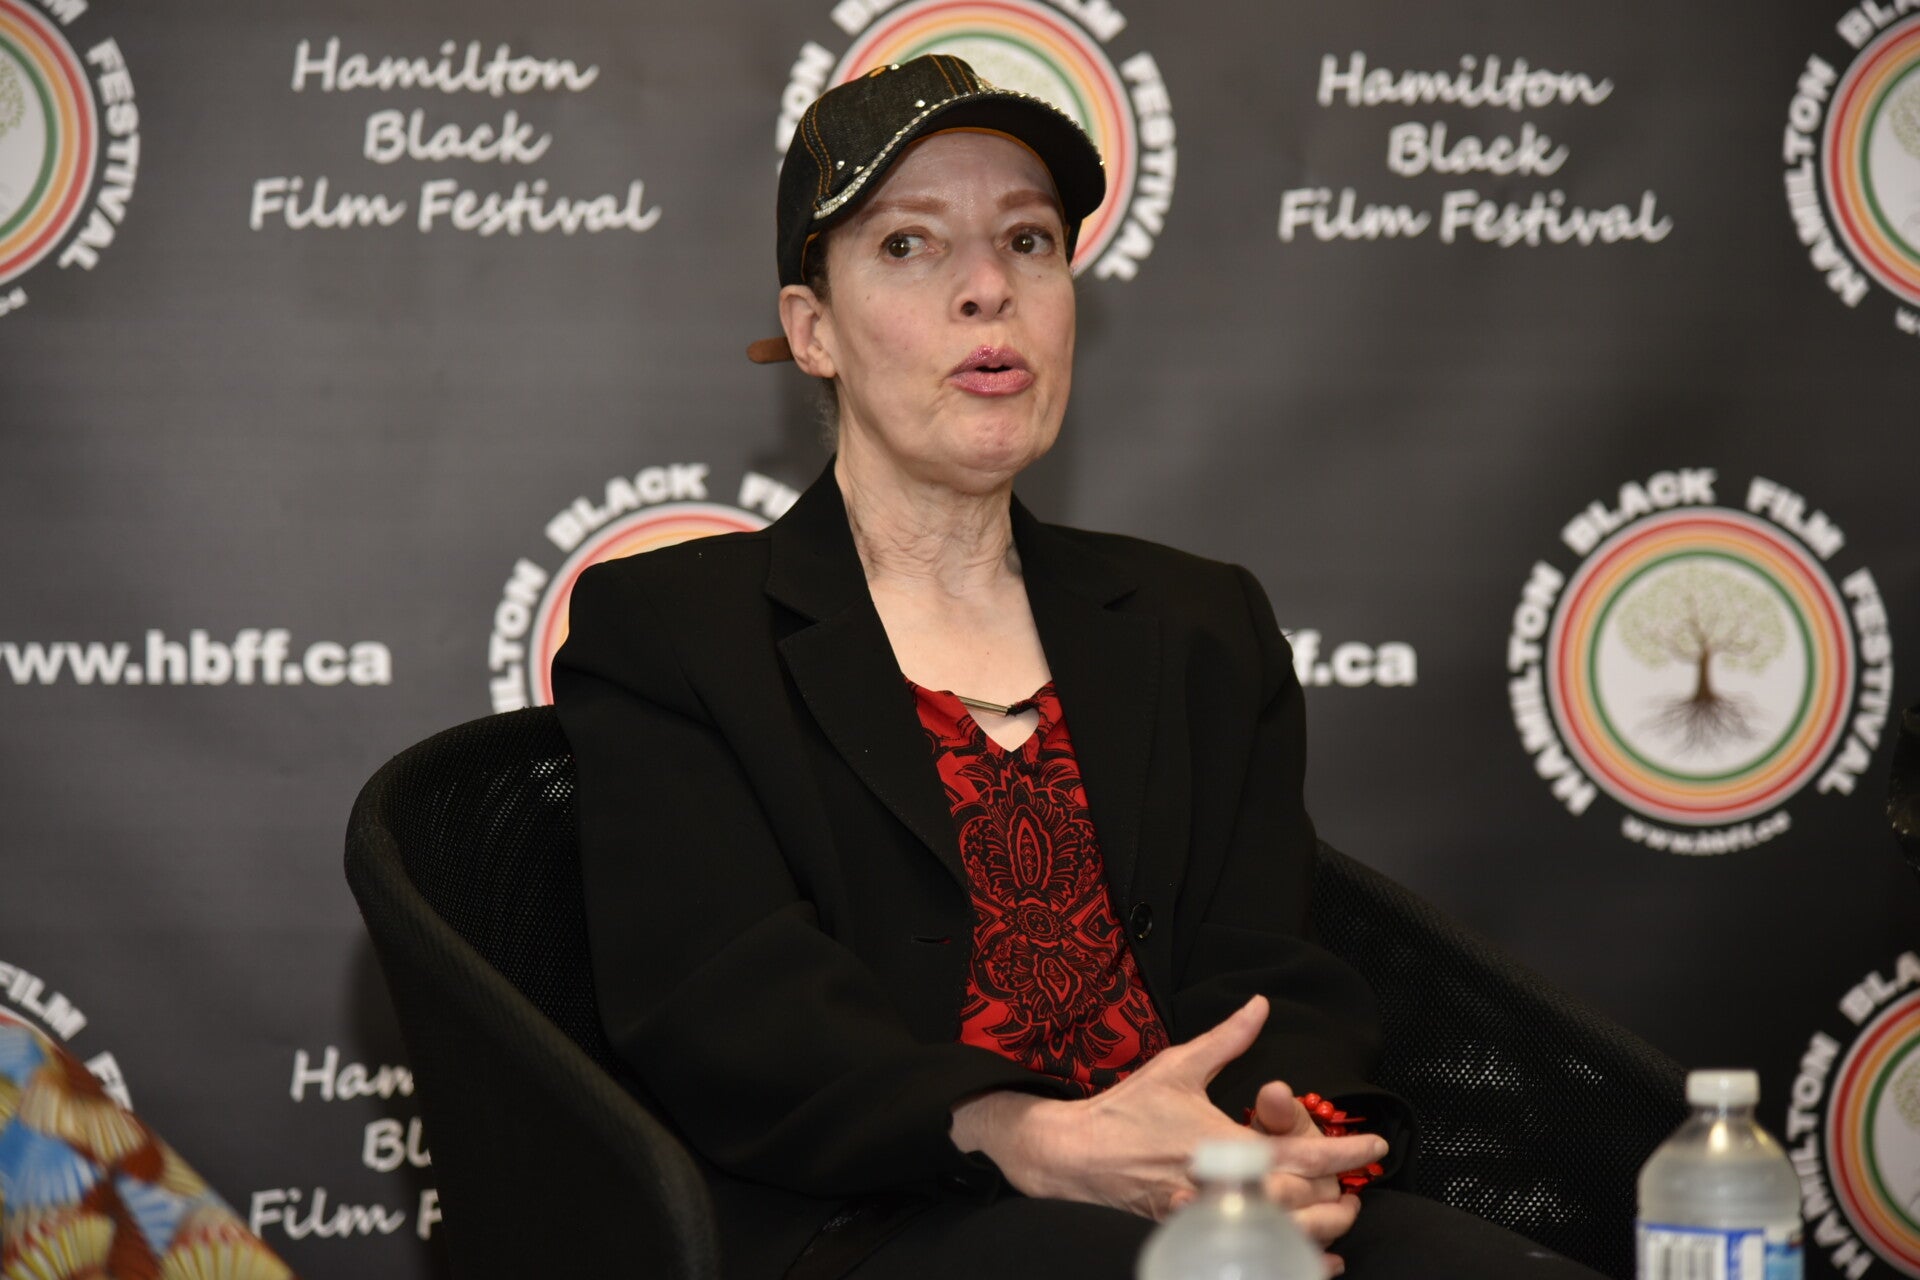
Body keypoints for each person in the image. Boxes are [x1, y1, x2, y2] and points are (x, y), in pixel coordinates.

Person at [553, 54, 1606, 1280]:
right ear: (813, 329)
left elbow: (1271, 962)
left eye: (1030, 240)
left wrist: (1282, 1140)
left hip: (1206, 1182)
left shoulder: (1199, 623)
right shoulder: (674, 629)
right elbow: (728, 1002)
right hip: (894, 1207)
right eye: (909, 245)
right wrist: (1033, 1134)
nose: (988, 287)